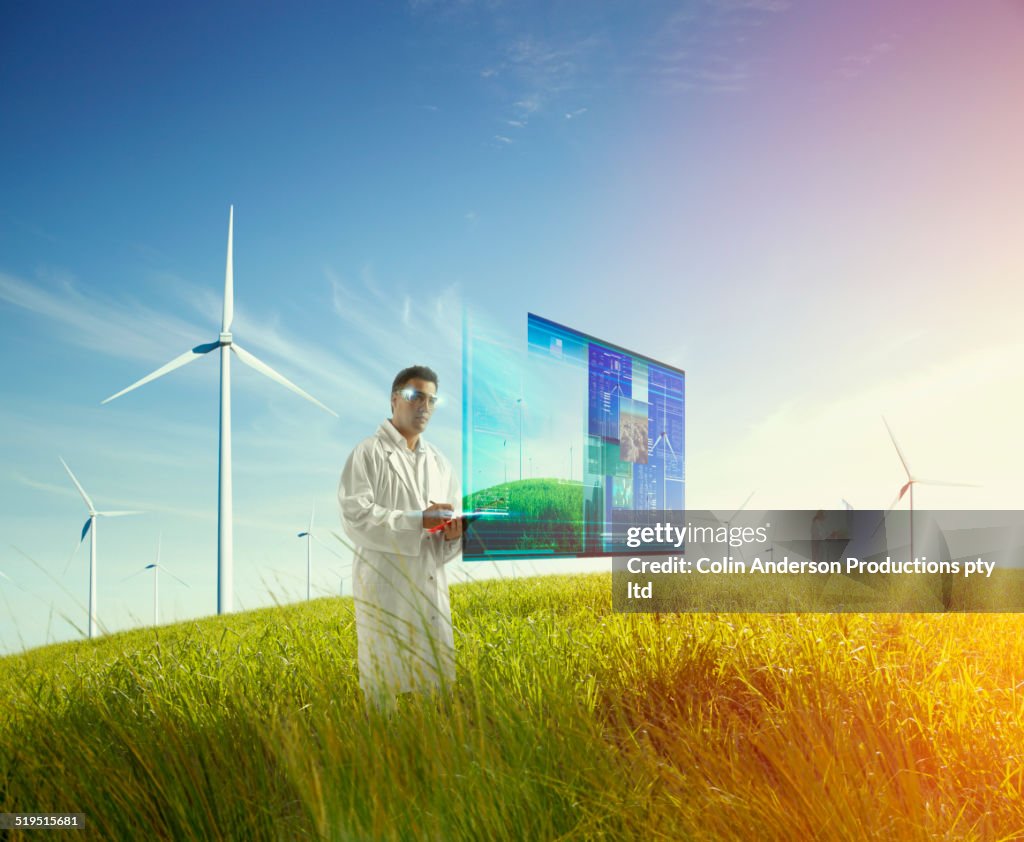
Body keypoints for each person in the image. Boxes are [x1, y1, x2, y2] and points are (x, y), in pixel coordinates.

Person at [338, 365, 464, 708]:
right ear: (395, 400)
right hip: (385, 590)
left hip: (429, 590)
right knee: (384, 694)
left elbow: (438, 547)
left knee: (434, 695)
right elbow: (356, 517)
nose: (425, 406)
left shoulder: (440, 463)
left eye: (432, 399)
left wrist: (452, 536)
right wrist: (417, 520)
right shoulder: (368, 452)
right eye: (415, 396)